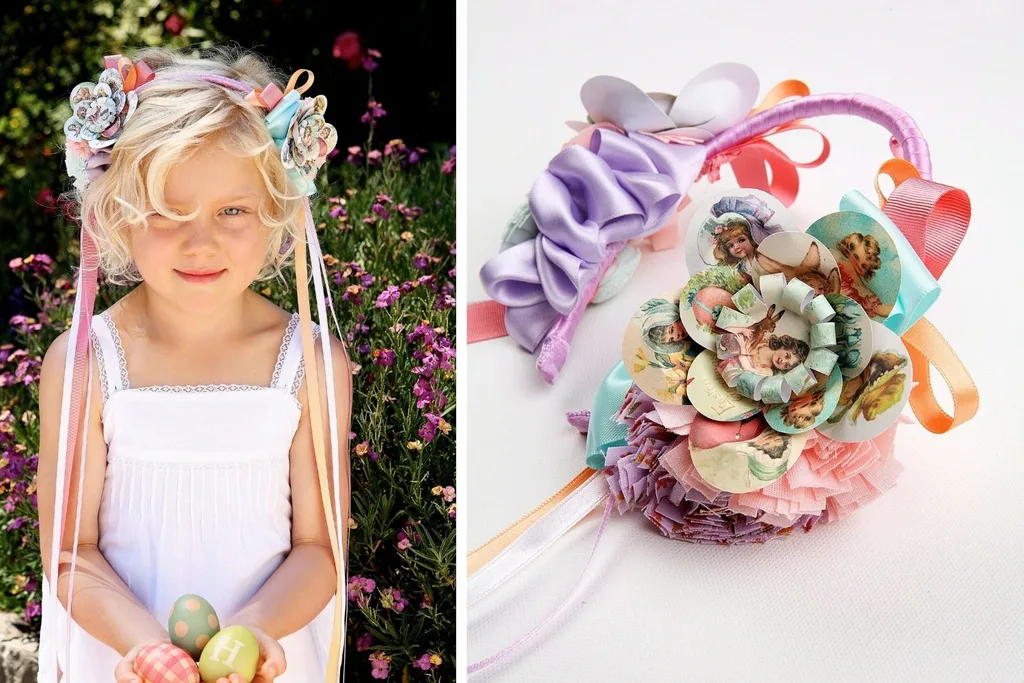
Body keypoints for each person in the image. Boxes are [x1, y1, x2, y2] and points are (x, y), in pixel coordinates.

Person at [36, 46, 351, 683]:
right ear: (118, 215)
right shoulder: (88, 362)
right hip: (122, 656)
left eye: (232, 210)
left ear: (276, 210)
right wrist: (147, 650)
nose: (200, 241)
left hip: (265, 660)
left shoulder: (308, 361)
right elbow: (71, 553)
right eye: (165, 211)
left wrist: (254, 632)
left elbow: (320, 548)